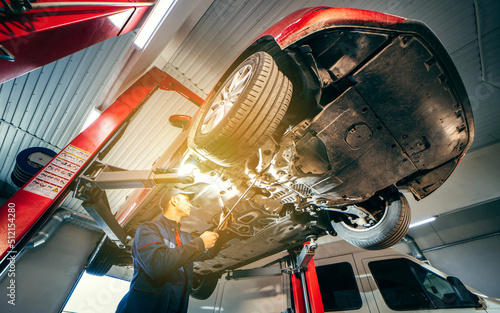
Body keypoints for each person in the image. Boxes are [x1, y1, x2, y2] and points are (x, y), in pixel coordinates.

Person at [116, 188, 230, 313]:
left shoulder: (185, 237)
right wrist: (199, 243)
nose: (190, 204)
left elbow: (209, 252)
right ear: (174, 200)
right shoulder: (148, 229)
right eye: (186, 200)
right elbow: (156, 265)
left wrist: (221, 230)